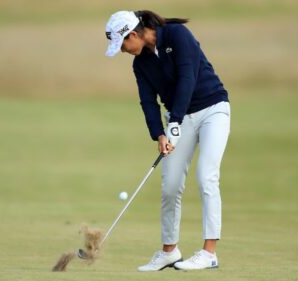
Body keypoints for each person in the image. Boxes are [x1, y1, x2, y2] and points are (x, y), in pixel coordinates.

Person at [104, 10, 231, 271]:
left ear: (134, 34)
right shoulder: (140, 63)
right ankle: (170, 251)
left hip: (213, 109)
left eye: (124, 44)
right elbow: (148, 101)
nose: (124, 51)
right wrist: (159, 134)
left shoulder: (178, 35)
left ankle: (209, 253)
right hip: (177, 119)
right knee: (170, 185)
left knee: (207, 176)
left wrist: (174, 120)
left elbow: (188, 78)